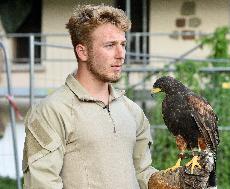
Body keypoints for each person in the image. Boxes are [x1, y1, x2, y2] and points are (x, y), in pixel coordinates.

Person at [22, 4, 157, 189]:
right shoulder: (51, 111)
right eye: (110, 45)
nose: (121, 55)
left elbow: (142, 173)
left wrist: (176, 181)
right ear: (82, 51)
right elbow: (42, 184)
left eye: (123, 45)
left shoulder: (132, 111)